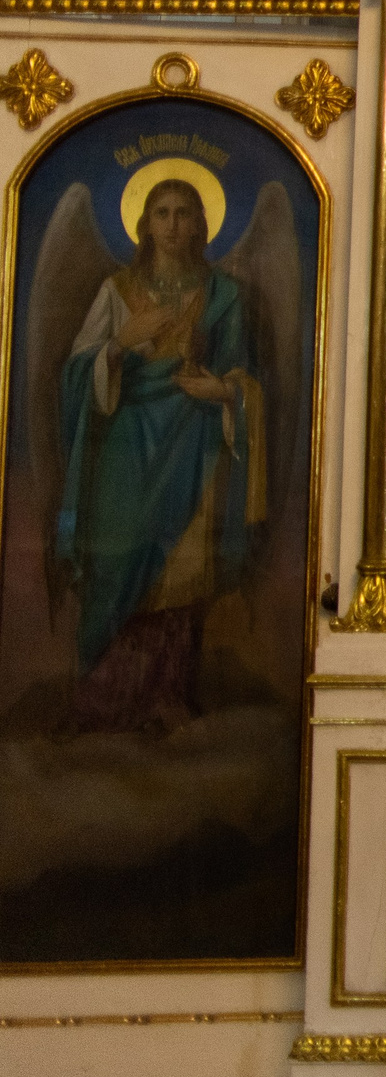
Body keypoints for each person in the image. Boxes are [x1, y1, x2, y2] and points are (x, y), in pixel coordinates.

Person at [55, 178, 264, 735]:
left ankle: (167, 697)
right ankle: (104, 703)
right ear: (145, 224)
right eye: (162, 213)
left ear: (201, 224)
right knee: (118, 564)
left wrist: (222, 392)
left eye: (184, 213)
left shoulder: (224, 296)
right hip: (123, 451)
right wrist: (122, 345)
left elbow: (243, 374)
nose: (173, 225)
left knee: (180, 573)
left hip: (192, 446)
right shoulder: (117, 290)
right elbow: (76, 372)